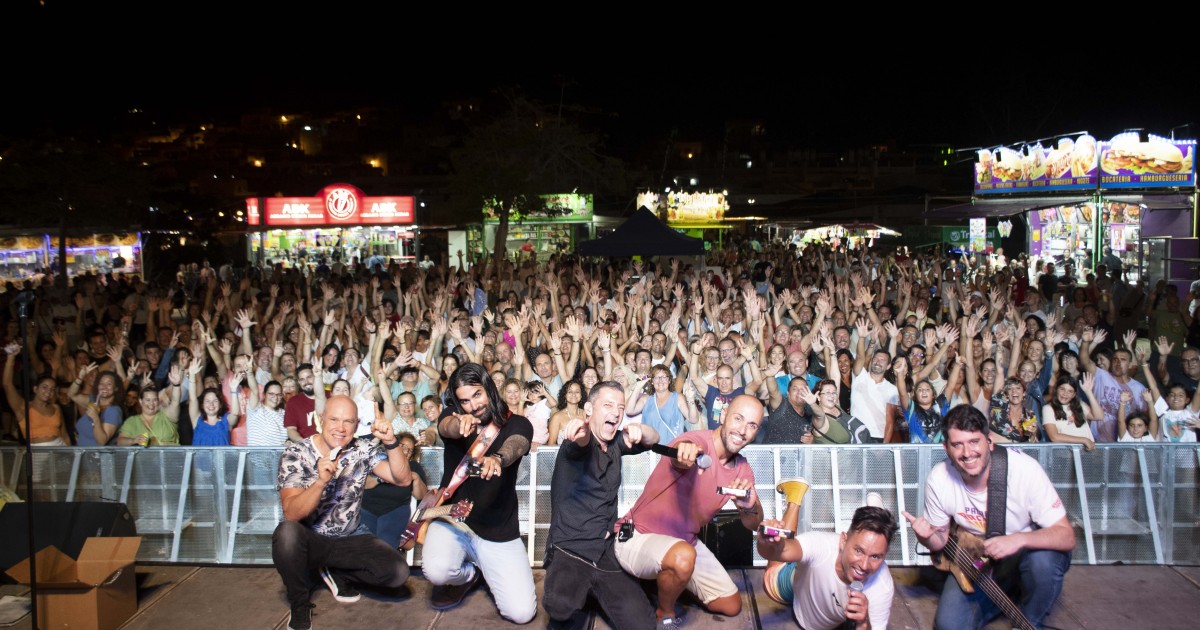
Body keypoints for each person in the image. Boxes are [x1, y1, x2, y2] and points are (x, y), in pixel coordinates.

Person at [904, 404, 1075, 630]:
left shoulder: (1024, 470)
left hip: (1024, 553)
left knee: (1043, 561)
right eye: (958, 444)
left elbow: (1066, 536)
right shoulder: (939, 479)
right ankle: (1008, 595)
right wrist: (926, 537)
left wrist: (1018, 540)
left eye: (974, 442)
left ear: (990, 442)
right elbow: (941, 541)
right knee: (949, 626)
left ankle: (1030, 620)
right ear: (946, 448)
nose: (967, 453)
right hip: (976, 560)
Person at [614, 394, 764, 628]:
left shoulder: (742, 469)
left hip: (684, 543)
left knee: (730, 604)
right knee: (683, 557)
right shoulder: (694, 441)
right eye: (738, 419)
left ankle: (669, 580)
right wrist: (684, 454)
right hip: (638, 535)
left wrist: (750, 507)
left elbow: (753, 524)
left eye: (752, 425)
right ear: (723, 416)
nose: (743, 430)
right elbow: (681, 452)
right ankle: (664, 612)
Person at [272, 395, 413, 630]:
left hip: (351, 536)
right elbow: (292, 514)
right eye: (334, 419)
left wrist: (390, 441)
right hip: (313, 540)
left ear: (357, 426)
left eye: (348, 422)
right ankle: (300, 604)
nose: (340, 428)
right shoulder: (296, 454)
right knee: (286, 534)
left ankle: (337, 571)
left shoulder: (363, 448)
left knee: (397, 573)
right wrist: (320, 482)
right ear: (320, 420)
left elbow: (403, 479)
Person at [421, 363, 537, 624]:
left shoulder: (518, 423)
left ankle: (486, 566)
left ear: (490, 389)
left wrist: (497, 458)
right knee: (436, 570)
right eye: (465, 401)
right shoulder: (452, 415)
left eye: (477, 395)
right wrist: (456, 423)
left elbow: (517, 444)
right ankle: (468, 576)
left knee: (521, 613)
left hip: (498, 528)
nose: (473, 405)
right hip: (453, 520)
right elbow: (446, 427)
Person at [543, 381, 659, 629]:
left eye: (620, 407)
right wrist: (580, 430)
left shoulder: (617, 442)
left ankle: (593, 592)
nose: (616, 412)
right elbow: (580, 442)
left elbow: (654, 438)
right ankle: (581, 591)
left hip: (605, 549)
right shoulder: (576, 444)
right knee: (559, 607)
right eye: (607, 405)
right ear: (588, 409)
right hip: (570, 548)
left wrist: (640, 428)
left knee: (644, 625)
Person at [758, 480, 897, 630]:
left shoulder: (882, 586)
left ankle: (876, 512)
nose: (864, 565)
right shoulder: (823, 545)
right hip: (797, 583)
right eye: (858, 551)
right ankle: (794, 500)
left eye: (876, 556)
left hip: (831, 615)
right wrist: (768, 541)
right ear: (843, 541)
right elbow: (777, 552)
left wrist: (863, 623)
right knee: (772, 574)